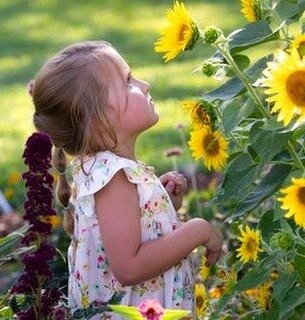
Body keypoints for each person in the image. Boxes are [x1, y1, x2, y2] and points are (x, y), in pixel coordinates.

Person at [29, 40, 223, 319]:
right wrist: (198, 230)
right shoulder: (114, 178)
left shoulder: (106, 170)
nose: (145, 85)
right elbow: (129, 267)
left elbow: (127, 232)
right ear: (98, 119)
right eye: (129, 81)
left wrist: (162, 204)